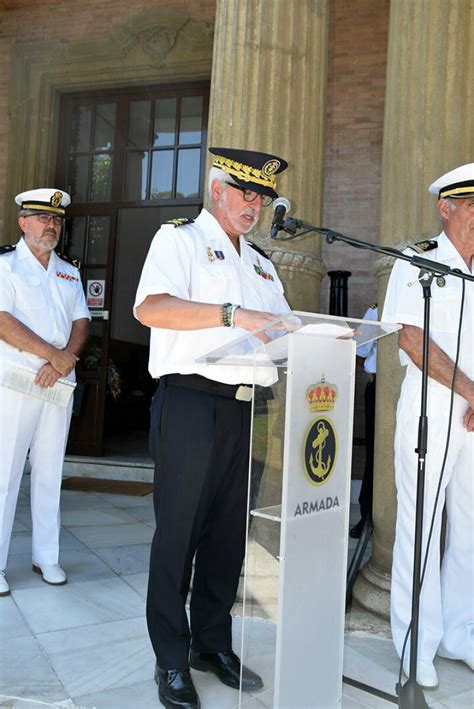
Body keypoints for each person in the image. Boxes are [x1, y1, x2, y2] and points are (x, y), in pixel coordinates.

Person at [134, 147, 290, 709]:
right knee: (179, 535)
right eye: (247, 193)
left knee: (229, 536)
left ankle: (211, 643)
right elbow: (150, 308)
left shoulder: (262, 263)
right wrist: (232, 313)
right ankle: (171, 659)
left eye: (264, 197)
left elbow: (281, 330)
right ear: (218, 188)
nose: (256, 206)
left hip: (250, 406)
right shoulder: (178, 240)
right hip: (193, 403)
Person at [382, 163, 474, 688]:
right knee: (422, 526)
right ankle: (415, 641)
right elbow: (411, 340)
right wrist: (470, 391)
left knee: (468, 525)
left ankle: (461, 633)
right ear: (448, 208)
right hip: (434, 409)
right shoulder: (416, 260)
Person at [0, 189, 90, 596]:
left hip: (59, 381)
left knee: (51, 470)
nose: (50, 225)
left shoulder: (69, 271)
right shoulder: (6, 265)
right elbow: (2, 320)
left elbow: (81, 321)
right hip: (18, 379)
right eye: (41, 218)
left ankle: (46, 557)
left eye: (56, 219)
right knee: (5, 472)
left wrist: (65, 358)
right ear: (23, 222)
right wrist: (53, 355)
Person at [350, 304, 377, 539]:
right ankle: (367, 514)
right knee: (375, 452)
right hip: (379, 387)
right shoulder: (376, 311)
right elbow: (359, 352)